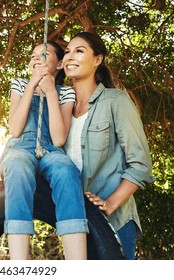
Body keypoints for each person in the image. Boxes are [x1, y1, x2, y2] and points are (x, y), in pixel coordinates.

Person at [62, 32, 155, 260]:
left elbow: (141, 164)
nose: (69, 57)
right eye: (66, 52)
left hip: (115, 221)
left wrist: (110, 203)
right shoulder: (58, 108)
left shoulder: (116, 101)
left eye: (79, 50)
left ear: (98, 60)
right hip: (75, 224)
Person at [0, 41, 89, 260]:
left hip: (51, 150)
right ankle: (20, 262)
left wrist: (50, 93)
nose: (36, 59)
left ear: (59, 65)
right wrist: (32, 85)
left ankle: (77, 262)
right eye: (32, 55)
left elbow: (58, 139)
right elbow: (16, 129)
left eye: (44, 55)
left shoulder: (65, 93)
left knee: (66, 171)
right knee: (17, 166)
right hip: (21, 146)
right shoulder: (20, 84)